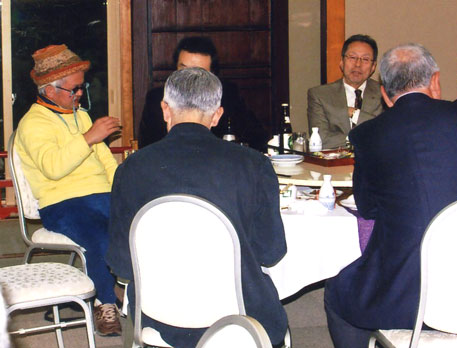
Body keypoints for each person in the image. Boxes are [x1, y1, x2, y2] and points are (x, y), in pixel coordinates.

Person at [324, 43, 457, 348]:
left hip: (405, 295)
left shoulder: (366, 135)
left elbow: (368, 208)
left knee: (338, 293)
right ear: (435, 81)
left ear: (385, 94)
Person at [107, 67, 288, 347]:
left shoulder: (131, 168)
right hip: (238, 316)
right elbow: (271, 252)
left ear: (165, 110)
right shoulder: (255, 165)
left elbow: (121, 264)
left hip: (157, 317)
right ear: (217, 115)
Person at [14, 44, 122, 336]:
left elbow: (106, 162)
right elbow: (53, 167)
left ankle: (129, 296)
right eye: (74, 89)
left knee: (139, 225)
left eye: (81, 87)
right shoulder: (32, 123)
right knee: (101, 237)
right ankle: (104, 301)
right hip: (62, 202)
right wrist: (88, 138)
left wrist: (124, 189)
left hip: (102, 195)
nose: (80, 94)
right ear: (50, 90)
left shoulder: (81, 116)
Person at [138, 36, 269, 151]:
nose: (189, 78)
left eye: (198, 72)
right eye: (184, 70)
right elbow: (147, 147)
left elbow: (257, 139)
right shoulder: (157, 99)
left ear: (213, 74)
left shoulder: (228, 96)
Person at [307, 34, 384, 149]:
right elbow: (321, 140)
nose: (358, 64)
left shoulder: (384, 94)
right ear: (342, 62)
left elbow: (385, 132)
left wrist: (354, 114)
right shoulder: (320, 95)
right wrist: (361, 138)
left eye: (365, 59)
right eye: (352, 57)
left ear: (373, 67)